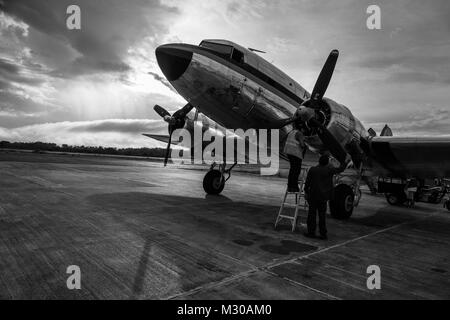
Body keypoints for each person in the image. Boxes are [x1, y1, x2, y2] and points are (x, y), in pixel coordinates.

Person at [304, 155, 348, 240]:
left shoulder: (313, 169)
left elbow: (307, 183)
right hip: (323, 197)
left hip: (313, 196)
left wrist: (306, 192)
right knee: (322, 216)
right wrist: (345, 161)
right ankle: (323, 234)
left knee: (311, 215)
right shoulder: (329, 170)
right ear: (327, 163)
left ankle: (311, 232)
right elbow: (340, 169)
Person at [283, 123, 306, 193]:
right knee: (296, 171)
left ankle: (290, 186)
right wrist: (306, 144)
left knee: (292, 170)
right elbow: (302, 145)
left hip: (289, 153)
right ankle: (294, 187)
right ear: (302, 128)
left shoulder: (292, 132)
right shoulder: (299, 133)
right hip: (296, 154)